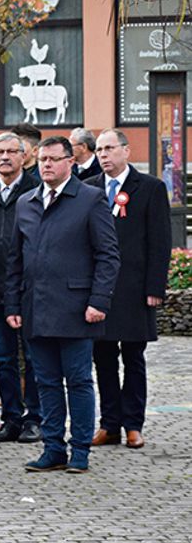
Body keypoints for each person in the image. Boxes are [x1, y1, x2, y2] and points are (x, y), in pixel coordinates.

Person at [7, 136, 120, 474]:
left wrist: (98, 300)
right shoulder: (26, 202)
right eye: (42, 159)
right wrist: (13, 304)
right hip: (36, 308)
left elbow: (108, 255)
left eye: (54, 159)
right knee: (46, 382)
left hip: (77, 307)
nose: (47, 165)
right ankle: (53, 447)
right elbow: (14, 259)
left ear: (71, 161)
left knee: (79, 381)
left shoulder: (90, 199)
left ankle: (80, 449)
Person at [87, 129, 171, 450]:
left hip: (135, 289)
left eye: (109, 148)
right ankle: (109, 424)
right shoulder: (89, 189)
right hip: (100, 291)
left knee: (133, 357)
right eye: (99, 150)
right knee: (103, 358)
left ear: (125, 150)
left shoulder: (149, 188)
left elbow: (160, 242)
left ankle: (133, 424)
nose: (104, 155)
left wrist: (155, 287)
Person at [0, 133, 42, 444]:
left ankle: (35, 418)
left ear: (23, 156)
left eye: (10, 152)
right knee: (3, 359)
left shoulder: (36, 189)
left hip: (29, 290)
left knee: (33, 358)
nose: (4, 157)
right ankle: (11, 418)